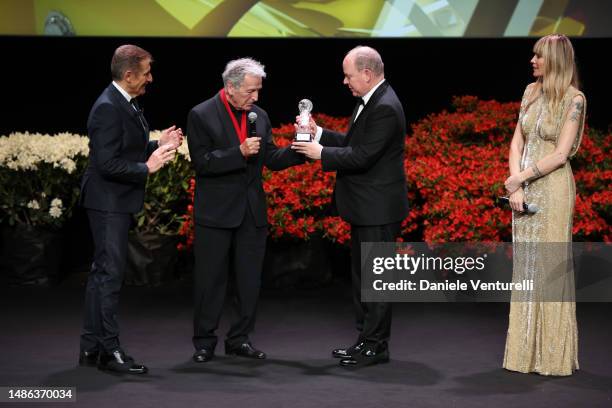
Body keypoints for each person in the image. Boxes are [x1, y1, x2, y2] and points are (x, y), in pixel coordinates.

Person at [292, 46, 408, 367]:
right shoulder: (371, 99)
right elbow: (357, 144)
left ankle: (376, 345)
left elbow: (363, 157)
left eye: (349, 75)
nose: (345, 81)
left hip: (378, 208)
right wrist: (322, 134)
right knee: (363, 279)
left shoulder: (385, 106)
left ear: (367, 74)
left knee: (377, 280)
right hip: (366, 207)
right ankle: (365, 340)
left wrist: (320, 153)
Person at [187, 58, 304, 363]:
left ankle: (239, 339)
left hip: (250, 212)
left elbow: (271, 157)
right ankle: (204, 342)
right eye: (251, 91)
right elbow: (202, 162)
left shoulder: (259, 115)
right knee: (210, 280)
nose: (256, 97)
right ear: (231, 87)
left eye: (258, 91)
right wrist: (236, 153)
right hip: (215, 212)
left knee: (249, 280)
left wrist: (301, 145)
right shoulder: (201, 114)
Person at [79, 44, 183, 374]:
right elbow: (106, 162)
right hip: (107, 202)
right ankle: (109, 350)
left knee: (102, 275)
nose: (150, 78)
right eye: (146, 72)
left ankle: (91, 347)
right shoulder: (108, 107)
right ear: (128, 75)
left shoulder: (126, 102)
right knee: (108, 276)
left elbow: (127, 146)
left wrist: (158, 144)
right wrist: (147, 167)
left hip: (114, 200)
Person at [503, 34, 586, 376]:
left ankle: (552, 357)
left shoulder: (575, 99)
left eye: (539, 56)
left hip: (552, 191)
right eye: (533, 55)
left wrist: (521, 178)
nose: (532, 61)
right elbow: (517, 139)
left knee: (550, 271)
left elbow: (561, 154)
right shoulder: (529, 92)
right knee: (526, 269)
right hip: (523, 190)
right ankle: (522, 355)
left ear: (556, 61)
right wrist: (516, 184)